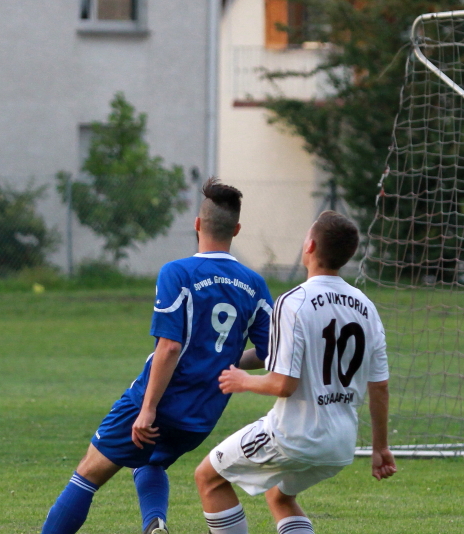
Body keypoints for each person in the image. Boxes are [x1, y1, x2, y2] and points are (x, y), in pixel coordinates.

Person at [40, 178, 274, 534]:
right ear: (237, 230)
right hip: (202, 414)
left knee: (87, 473)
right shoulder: (254, 284)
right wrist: (225, 361)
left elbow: (170, 347)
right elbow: (272, 354)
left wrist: (148, 408)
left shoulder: (177, 272)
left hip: (161, 400)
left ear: (197, 224)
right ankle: (155, 525)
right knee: (150, 462)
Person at [194, 210, 397, 534]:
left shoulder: (294, 301)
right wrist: (381, 447)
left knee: (209, 478)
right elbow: (380, 386)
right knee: (280, 497)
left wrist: (242, 381)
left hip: (294, 435)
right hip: (340, 444)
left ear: (310, 245)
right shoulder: (366, 307)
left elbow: (283, 384)